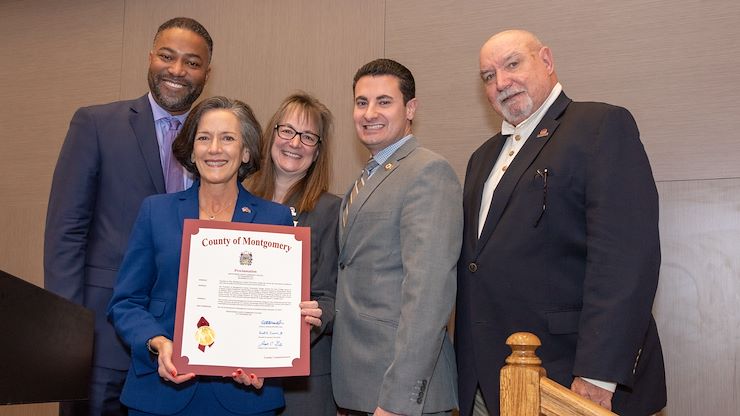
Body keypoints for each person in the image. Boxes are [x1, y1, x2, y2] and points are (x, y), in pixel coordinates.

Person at [455, 29, 666, 416]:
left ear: (547, 61)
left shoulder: (599, 125)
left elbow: (625, 260)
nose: (502, 82)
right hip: (488, 381)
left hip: (568, 378)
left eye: (512, 64)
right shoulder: (480, 159)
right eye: (488, 76)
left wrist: (598, 374)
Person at [107, 96, 321, 415]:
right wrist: (157, 341)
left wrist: (297, 319)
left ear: (246, 151)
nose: (215, 149)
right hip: (160, 393)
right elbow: (126, 303)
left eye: (228, 138)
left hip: (245, 398)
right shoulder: (156, 211)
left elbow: (275, 308)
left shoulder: (274, 219)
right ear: (192, 151)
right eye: (204, 138)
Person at [44, 17, 212, 415]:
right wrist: (69, 330)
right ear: (150, 57)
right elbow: (66, 232)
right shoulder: (97, 124)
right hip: (102, 337)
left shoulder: (214, 142)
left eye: (192, 62)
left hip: (186, 340)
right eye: (167, 57)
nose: (177, 70)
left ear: (207, 71)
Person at [332, 58, 463, 416]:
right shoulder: (367, 178)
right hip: (358, 387)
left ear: (410, 108)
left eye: (383, 102)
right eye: (361, 102)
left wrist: (399, 400)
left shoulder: (428, 171)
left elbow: (429, 294)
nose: (369, 112)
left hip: (401, 399)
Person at [246, 92, 339, 415]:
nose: (295, 143)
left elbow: (330, 297)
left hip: (304, 380)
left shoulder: (332, 211)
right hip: (239, 373)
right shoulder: (238, 202)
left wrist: (313, 319)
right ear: (271, 135)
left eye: (308, 136)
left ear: (317, 152)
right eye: (287, 131)